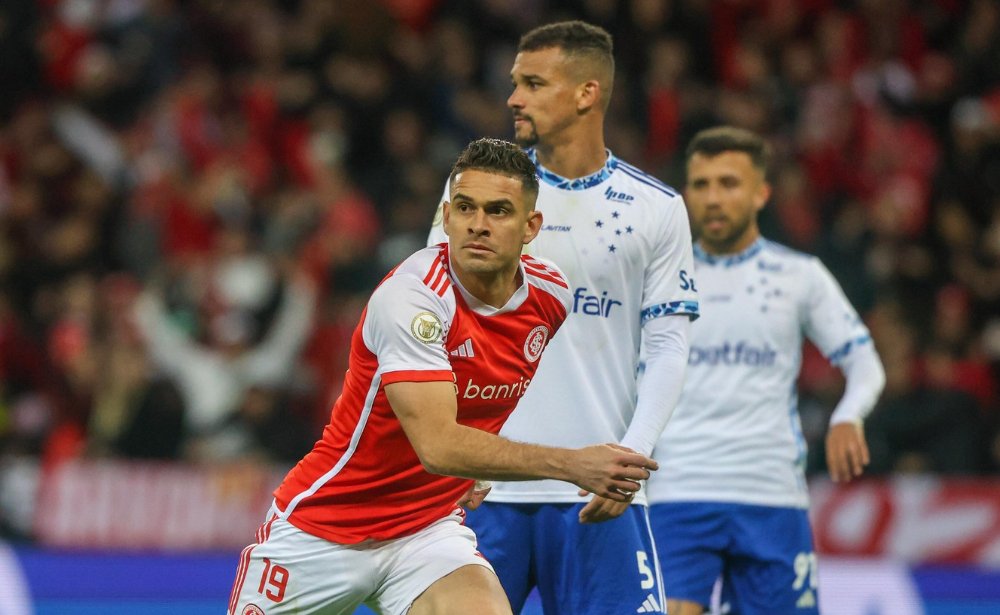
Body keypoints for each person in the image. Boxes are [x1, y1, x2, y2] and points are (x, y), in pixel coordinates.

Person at [228, 138, 660, 615]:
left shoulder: (550, 297)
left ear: (530, 226)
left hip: (425, 531)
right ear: (447, 217)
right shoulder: (413, 299)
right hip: (326, 527)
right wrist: (574, 463)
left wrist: (475, 463)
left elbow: (484, 393)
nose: (479, 224)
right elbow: (438, 446)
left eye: (499, 211)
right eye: (466, 208)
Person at [427, 21, 697, 615]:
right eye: (514, 83)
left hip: (596, 489)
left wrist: (632, 458)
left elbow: (669, 346)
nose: (513, 98)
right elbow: (433, 326)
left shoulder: (656, 209)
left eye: (532, 83)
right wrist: (448, 449)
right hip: (485, 489)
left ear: (586, 93)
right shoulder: (478, 197)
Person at [646, 126, 887, 615]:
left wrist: (848, 415)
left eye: (729, 183)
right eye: (702, 184)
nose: (713, 198)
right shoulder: (656, 278)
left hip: (771, 494)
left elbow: (864, 362)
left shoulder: (800, 275)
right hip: (677, 490)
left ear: (761, 193)